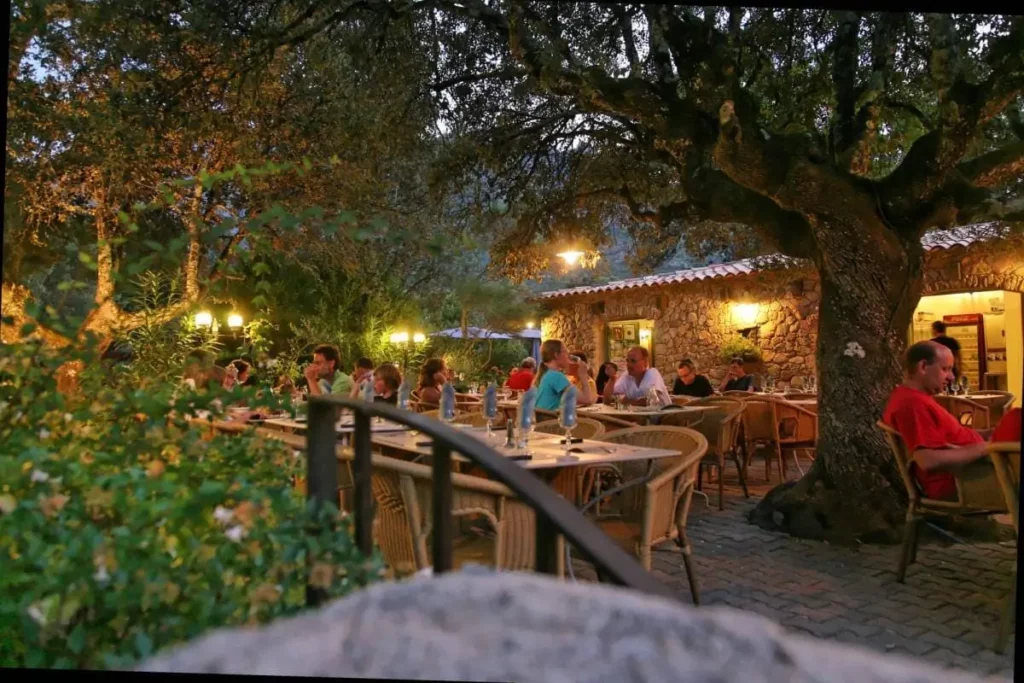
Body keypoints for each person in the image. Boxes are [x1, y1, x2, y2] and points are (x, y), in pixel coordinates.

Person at [882, 341, 1003, 508]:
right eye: (945, 369)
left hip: (973, 473)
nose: (952, 377)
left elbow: (949, 437)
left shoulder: (914, 398)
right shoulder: (912, 404)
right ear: (923, 366)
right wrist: (989, 446)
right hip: (965, 482)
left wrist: (991, 434)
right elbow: (928, 460)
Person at [534, 339, 594, 411]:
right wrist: (583, 376)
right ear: (556, 355)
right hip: (553, 421)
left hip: (546, 420)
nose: (568, 356)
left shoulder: (547, 374)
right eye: (565, 352)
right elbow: (587, 400)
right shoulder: (556, 376)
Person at [602, 346, 670, 406]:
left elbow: (652, 401)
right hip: (641, 418)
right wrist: (612, 379)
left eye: (633, 361)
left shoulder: (652, 373)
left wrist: (626, 401)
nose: (629, 365)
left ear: (645, 362)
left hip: (663, 417)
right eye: (627, 361)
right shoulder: (627, 377)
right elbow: (607, 400)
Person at [931, 321, 962, 386]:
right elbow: (959, 358)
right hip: (952, 370)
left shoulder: (932, 342)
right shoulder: (953, 341)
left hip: (937, 372)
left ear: (935, 330)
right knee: (952, 391)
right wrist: (959, 371)